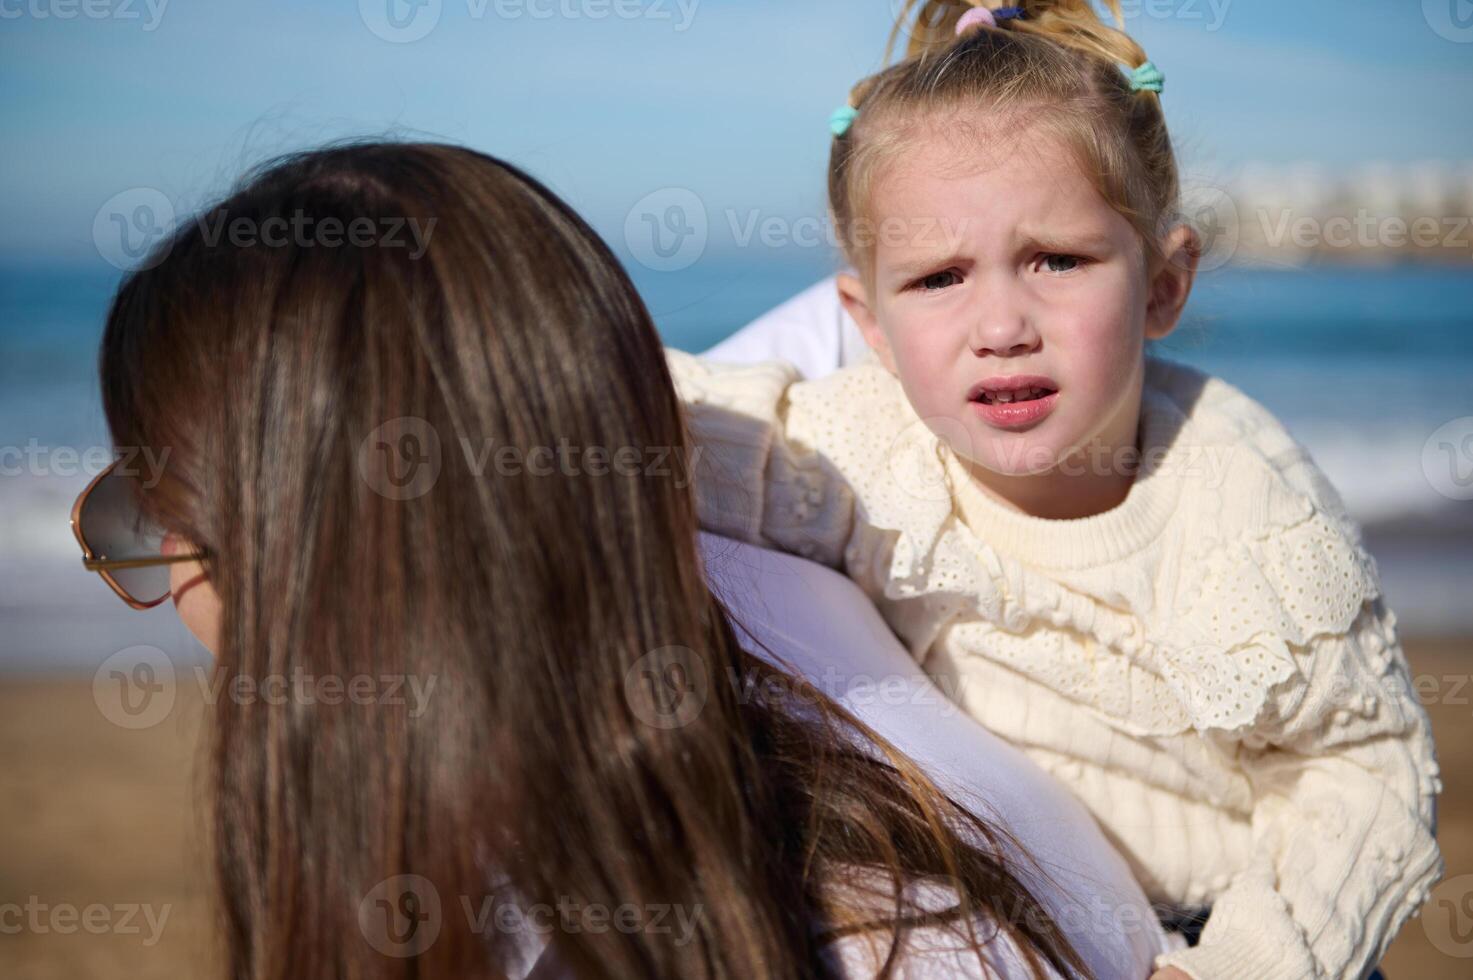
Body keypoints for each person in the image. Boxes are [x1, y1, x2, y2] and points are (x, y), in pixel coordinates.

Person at [70, 139, 1185, 979]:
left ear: (320, 559)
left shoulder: (787, 926)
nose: (164, 569)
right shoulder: (751, 548)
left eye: (161, 497)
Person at [661, 3, 1443, 977]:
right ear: (866, 320)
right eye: (940, 277)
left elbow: (1368, 770)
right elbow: (687, 420)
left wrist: (1241, 963)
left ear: (1163, 282)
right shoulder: (868, 443)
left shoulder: (1241, 500)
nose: (1001, 323)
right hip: (1020, 891)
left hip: (1234, 920)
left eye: (1057, 260)